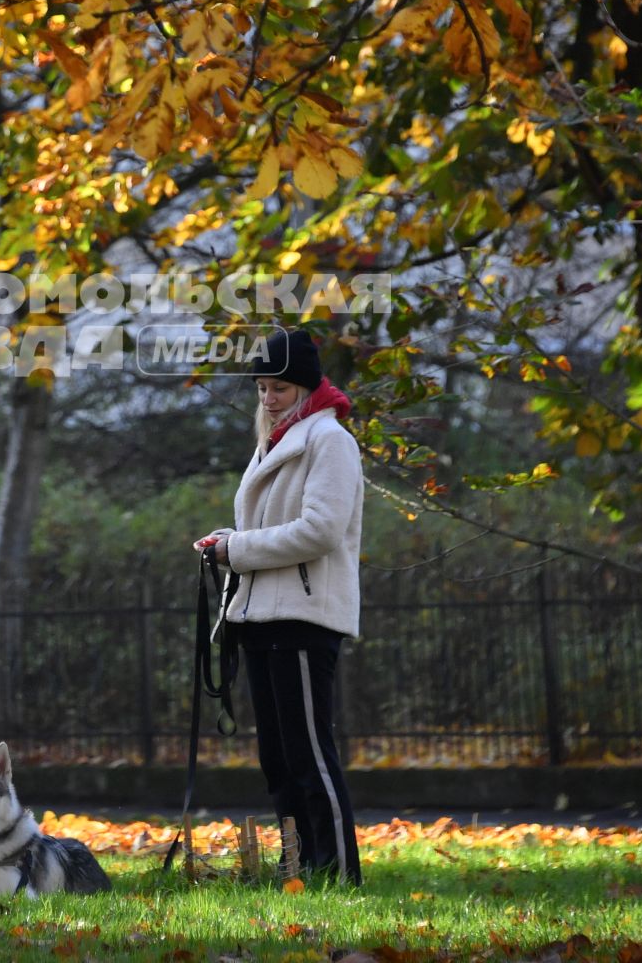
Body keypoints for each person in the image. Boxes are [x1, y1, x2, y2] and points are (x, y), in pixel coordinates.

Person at [194, 327, 364, 886]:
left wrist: (236, 549)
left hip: (303, 617)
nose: (268, 398)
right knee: (279, 763)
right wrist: (227, 541)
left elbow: (319, 531)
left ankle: (338, 875)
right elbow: (270, 529)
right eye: (263, 387)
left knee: (311, 756)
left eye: (280, 389)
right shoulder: (277, 439)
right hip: (261, 616)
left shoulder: (328, 439)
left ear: (307, 387)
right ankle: (299, 870)